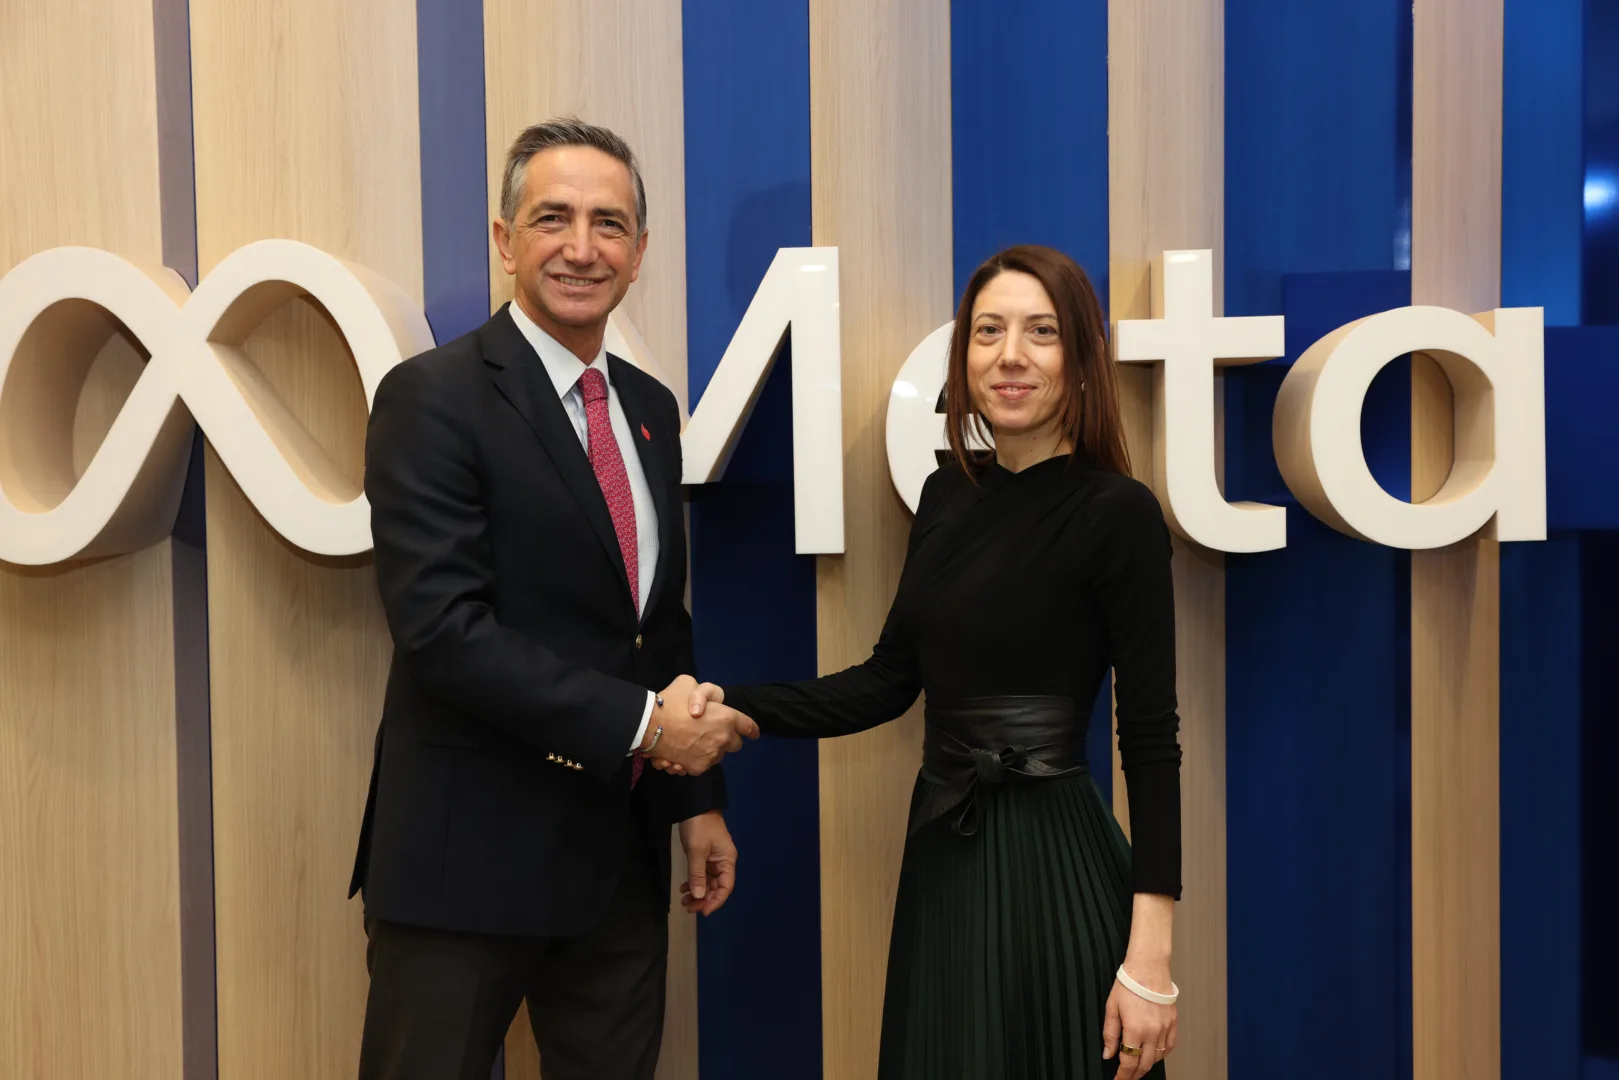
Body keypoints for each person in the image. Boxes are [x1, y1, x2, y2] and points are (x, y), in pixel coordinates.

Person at [673, 245, 1183, 1078]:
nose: (1009, 354)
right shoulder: (947, 493)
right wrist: (737, 708)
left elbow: (1152, 737)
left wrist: (1150, 959)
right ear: (963, 357)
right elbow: (887, 680)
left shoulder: (1116, 512)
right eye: (987, 331)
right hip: (943, 853)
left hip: (1054, 861)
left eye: (1041, 332)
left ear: (1081, 360)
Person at [348, 118, 758, 1080]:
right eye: (552, 219)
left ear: (639, 252)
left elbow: (654, 627)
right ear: (505, 240)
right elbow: (443, 632)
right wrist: (648, 729)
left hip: (615, 864)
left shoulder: (649, 409)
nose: (582, 247)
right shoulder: (431, 397)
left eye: (608, 224)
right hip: (462, 867)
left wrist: (693, 800)